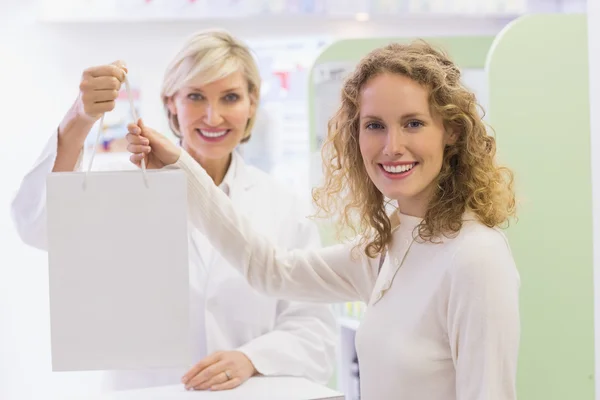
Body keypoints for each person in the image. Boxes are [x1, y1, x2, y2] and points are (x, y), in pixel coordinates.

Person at [125, 40, 521, 399]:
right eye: (374, 126)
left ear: (451, 130)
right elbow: (271, 271)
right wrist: (182, 166)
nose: (392, 147)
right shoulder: (388, 246)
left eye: (413, 123)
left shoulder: (475, 257)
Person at [10, 30, 337, 392]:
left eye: (230, 97)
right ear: (171, 104)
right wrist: (78, 120)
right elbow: (37, 224)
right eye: (196, 97)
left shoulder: (283, 206)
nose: (213, 117)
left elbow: (314, 328)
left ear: (252, 104)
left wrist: (252, 358)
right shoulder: (120, 189)